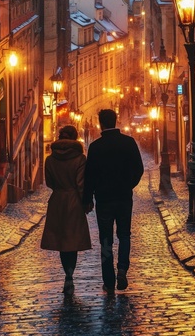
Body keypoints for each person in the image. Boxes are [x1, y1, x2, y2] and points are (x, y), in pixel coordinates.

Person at [82, 109, 144, 294]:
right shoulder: (128, 142)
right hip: (124, 198)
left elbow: (89, 176)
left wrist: (88, 199)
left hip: (104, 200)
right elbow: (139, 169)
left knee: (106, 240)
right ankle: (123, 269)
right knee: (124, 235)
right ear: (116, 121)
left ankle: (109, 280)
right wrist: (128, 185)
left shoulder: (95, 147)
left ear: (101, 123)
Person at [41, 125, 91, 295]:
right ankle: (70, 275)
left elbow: (49, 183)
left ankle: (67, 275)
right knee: (73, 241)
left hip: (57, 201)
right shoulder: (80, 159)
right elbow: (81, 184)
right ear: (75, 138)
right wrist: (86, 203)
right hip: (74, 201)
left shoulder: (50, 159)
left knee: (62, 241)